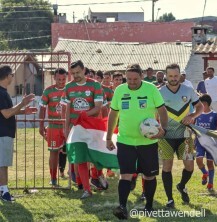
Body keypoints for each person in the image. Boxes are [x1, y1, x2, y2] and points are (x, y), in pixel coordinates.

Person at [106, 64, 168, 219]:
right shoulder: (120, 90)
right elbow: (113, 115)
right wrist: (108, 137)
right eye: (129, 79)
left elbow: (162, 110)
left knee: (149, 176)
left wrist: (163, 129)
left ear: (141, 76)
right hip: (125, 141)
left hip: (147, 142)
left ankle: (149, 205)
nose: (132, 82)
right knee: (125, 174)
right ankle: (122, 206)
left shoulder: (151, 89)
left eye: (135, 79)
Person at [159, 63, 203, 208]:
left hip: (185, 134)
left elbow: (200, 107)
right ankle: (170, 199)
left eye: (176, 75)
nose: (173, 78)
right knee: (167, 166)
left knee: (190, 166)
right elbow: (153, 112)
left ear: (180, 75)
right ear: (166, 76)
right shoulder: (159, 92)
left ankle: (182, 185)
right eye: (170, 76)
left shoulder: (188, 90)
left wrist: (192, 115)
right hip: (165, 135)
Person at [62, 60, 104, 199]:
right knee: (81, 159)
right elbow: (68, 110)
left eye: (78, 72)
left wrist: (84, 115)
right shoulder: (69, 87)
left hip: (92, 128)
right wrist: (66, 127)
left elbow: (98, 107)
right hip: (77, 128)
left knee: (95, 157)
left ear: (84, 70)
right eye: (73, 73)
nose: (76, 75)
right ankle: (86, 189)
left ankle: (98, 176)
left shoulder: (95, 85)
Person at [0, 65, 37, 201]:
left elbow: (6, 112)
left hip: (4, 133)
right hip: (2, 133)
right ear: (7, 76)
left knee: (2, 163)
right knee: (2, 164)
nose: (12, 78)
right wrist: (23, 103)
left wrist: (23, 111)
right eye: (12, 75)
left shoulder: (3, 92)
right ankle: (4, 192)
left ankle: (3, 190)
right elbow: (7, 114)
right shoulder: (1, 93)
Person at [39, 68, 67, 187]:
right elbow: (42, 108)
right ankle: (53, 178)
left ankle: (77, 179)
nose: (61, 81)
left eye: (63, 79)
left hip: (68, 126)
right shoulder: (48, 91)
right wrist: (41, 125)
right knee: (54, 153)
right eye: (59, 79)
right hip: (53, 127)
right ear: (54, 78)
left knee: (73, 151)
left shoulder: (69, 90)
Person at [195, 94, 217, 191]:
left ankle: (211, 183)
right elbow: (193, 128)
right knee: (198, 161)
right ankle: (205, 173)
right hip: (199, 142)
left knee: (209, 163)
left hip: (210, 143)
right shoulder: (197, 114)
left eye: (201, 104)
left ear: (206, 104)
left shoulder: (214, 115)